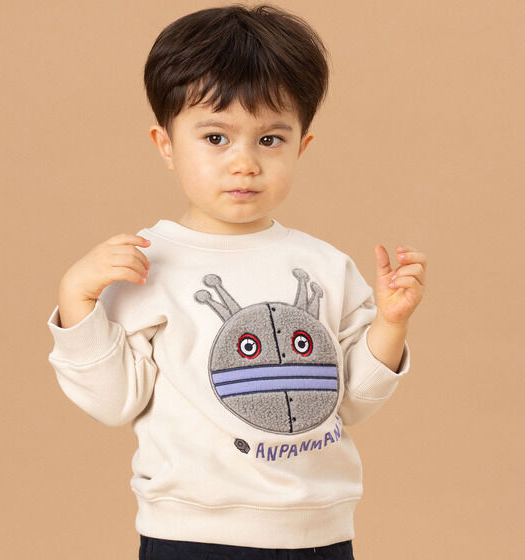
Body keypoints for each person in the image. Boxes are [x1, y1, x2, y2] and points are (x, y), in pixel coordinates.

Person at [46, 4, 427, 559]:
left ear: (302, 146)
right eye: (215, 138)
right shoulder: (144, 262)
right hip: (191, 535)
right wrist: (76, 299)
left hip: (320, 533)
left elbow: (349, 403)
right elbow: (113, 402)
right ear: (166, 144)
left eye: (270, 140)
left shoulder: (326, 266)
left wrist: (390, 326)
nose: (244, 162)